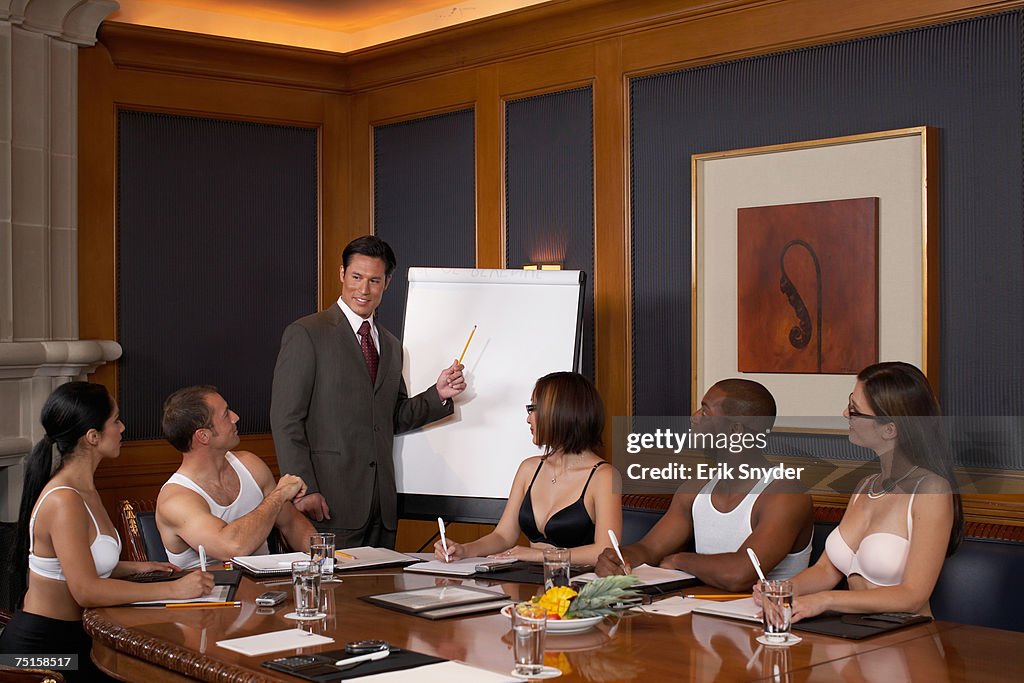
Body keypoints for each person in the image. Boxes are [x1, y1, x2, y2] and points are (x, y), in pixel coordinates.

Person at [0, 382, 213, 682]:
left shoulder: (84, 489)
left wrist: (141, 568)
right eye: (115, 420)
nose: (123, 427)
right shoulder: (64, 500)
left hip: (78, 637)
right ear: (92, 437)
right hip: (41, 654)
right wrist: (174, 590)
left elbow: (79, 565)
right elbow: (86, 590)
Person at [271, 235, 466, 548]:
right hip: (328, 504)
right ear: (341, 275)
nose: (363, 290)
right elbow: (286, 420)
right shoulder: (307, 334)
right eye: (356, 277)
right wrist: (302, 489)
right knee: (336, 596)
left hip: (382, 507)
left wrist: (438, 393)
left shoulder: (390, 344)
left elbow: (392, 416)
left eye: (374, 280)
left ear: (387, 283)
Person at [755, 361, 963, 622]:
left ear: (890, 429)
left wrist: (825, 600)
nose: (845, 413)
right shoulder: (865, 486)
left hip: (906, 639)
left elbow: (913, 596)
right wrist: (779, 590)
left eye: (855, 410)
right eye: (849, 403)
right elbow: (826, 570)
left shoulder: (931, 490)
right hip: (854, 635)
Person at [596, 379, 814, 591]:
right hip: (702, 617)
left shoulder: (787, 494)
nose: (694, 417)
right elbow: (649, 549)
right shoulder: (694, 489)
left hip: (768, 622)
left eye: (705, 412)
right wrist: (618, 557)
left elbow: (740, 574)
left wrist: (680, 560)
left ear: (736, 430)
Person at [434, 372, 620, 565]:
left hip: (578, 587)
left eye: (533, 409)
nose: (528, 419)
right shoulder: (529, 468)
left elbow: (605, 550)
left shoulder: (604, 476)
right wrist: (464, 550)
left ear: (559, 411)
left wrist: (538, 555)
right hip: (530, 582)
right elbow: (503, 536)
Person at [156, 386, 317, 567]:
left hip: (268, 589)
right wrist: (279, 495)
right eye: (226, 415)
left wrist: (325, 560)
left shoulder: (250, 464)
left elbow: (292, 524)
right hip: (214, 593)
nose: (235, 417)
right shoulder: (175, 500)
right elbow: (233, 547)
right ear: (203, 436)